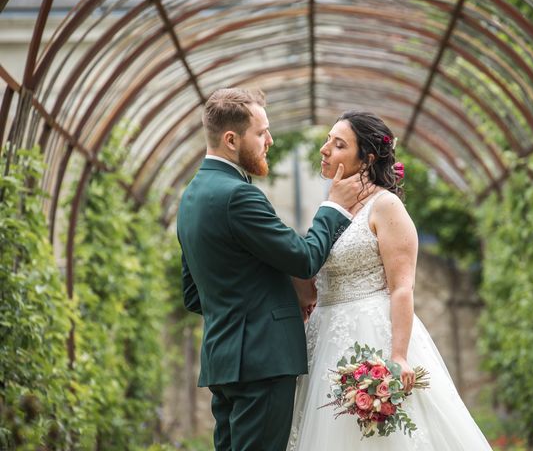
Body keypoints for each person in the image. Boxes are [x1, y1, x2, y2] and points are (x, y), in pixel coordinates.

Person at [177, 89, 371, 451]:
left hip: (223, 362)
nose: (270, 140)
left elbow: (194, 293)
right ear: (231, 139)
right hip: (262, 362)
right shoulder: (239, 195)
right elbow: (303, 258)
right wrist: (332, 207)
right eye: (261, 132)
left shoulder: (191, 197)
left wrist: (255, 306)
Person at [287, 111, 493, 450]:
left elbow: (401, 287)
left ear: (366, 158)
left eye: (338, 144)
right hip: (322, 338)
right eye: (327, 140)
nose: (324, 150)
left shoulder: (386, 206)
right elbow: (312, 281)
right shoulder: (330, 208)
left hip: (372, 335)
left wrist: (398, 354)